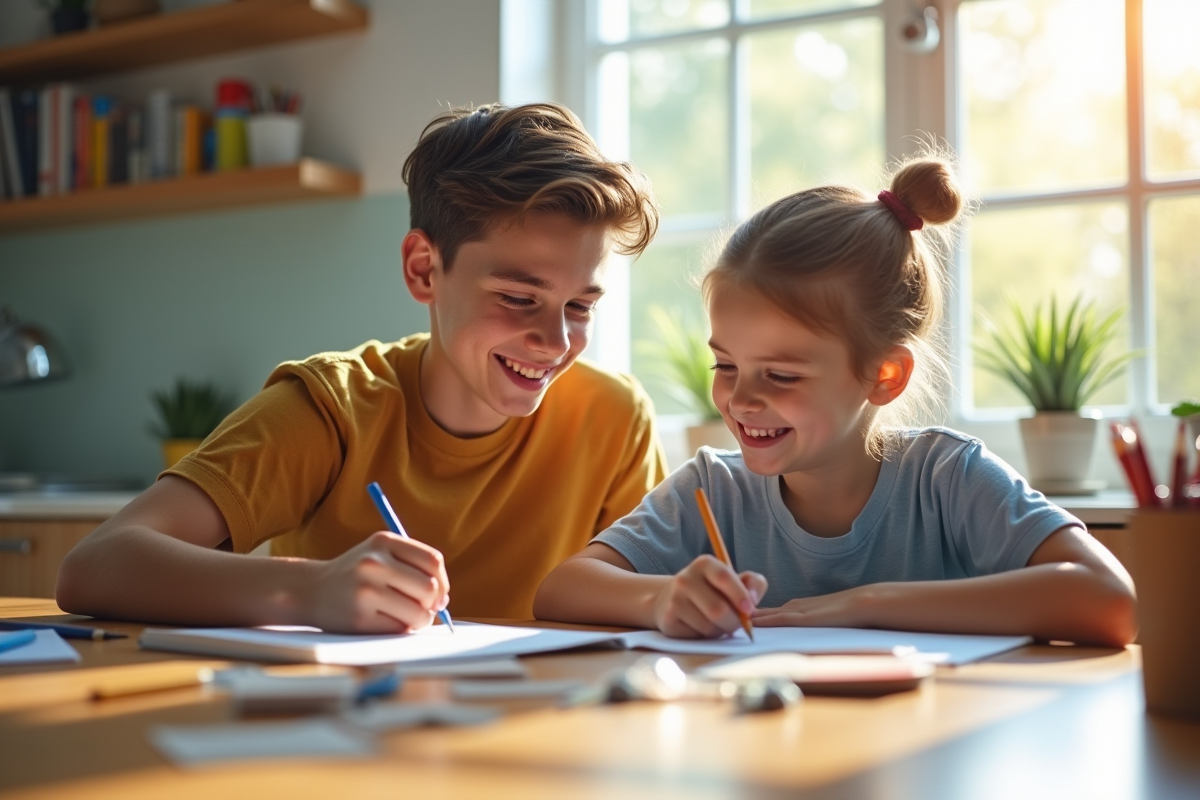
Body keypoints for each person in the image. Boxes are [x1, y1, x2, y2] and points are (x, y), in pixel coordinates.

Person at [57, 103, 667, 632]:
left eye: (580, 306)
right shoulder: (331, 408)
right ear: (424, 269)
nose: (555, 342)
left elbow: (650, 601)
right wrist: (310, 590)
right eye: (517, 297)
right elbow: (96, 565)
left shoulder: (615, 418)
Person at [534, 155, 1137, 647]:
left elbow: (1109, 601)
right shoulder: (714, 489)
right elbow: (561, 590)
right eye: (726, 365)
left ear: (884, 375)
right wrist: (661, 597)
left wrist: (865, 605)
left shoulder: (948, 478)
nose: (741, 399)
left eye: (781, 375)